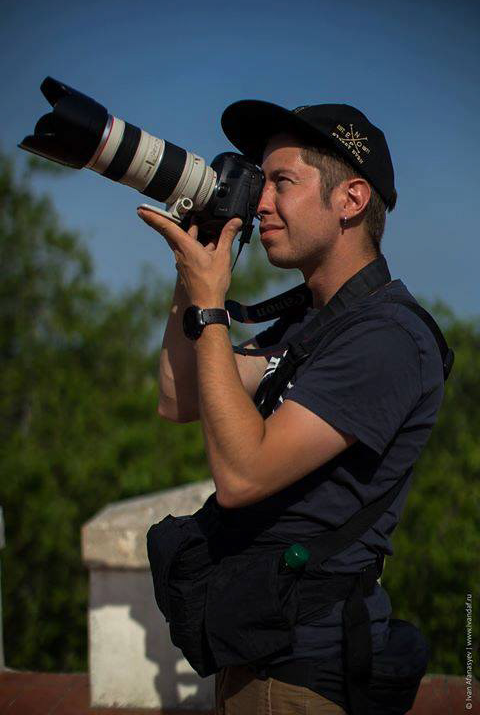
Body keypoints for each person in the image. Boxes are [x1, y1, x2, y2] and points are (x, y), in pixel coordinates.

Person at [138, 101, 445, 714]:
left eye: (282, 182)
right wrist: (190, 276)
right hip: (259, 647)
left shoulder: (385, 337)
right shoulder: (310, 323)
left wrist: (212, 306)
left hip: (303, 670)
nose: (260, 203)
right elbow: (180, 398)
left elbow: (242, 475)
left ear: (351, 199)